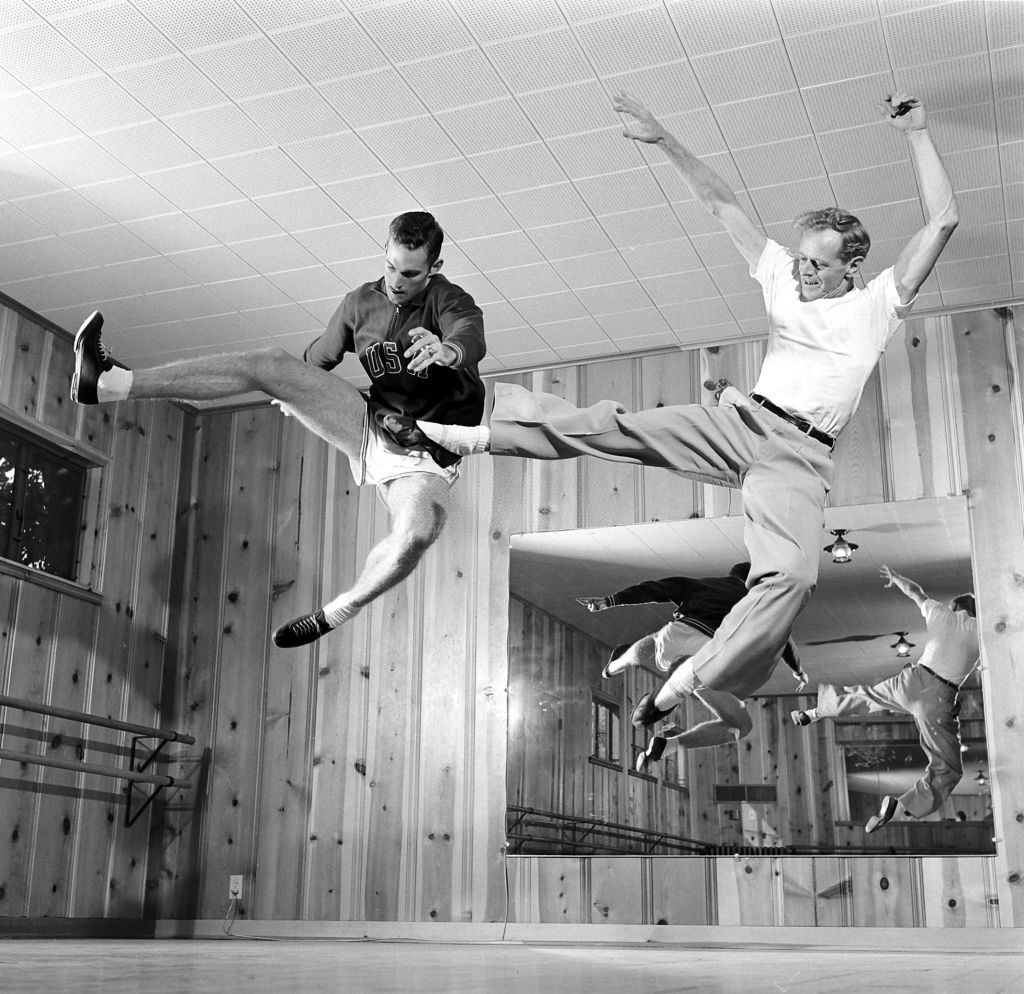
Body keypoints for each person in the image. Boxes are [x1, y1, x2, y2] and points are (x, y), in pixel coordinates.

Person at [406, 90, 957, 722]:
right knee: (623, 429)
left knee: (795, 578)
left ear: (852, 266)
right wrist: (663, 137)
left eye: (818, 266)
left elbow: (941, 221)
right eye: (801, 259)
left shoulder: (878, 305)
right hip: (745, 423)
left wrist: (917, 132)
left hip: (800, 462)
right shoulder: (779, 274)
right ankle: (472, 434)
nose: (803, 273)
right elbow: (721, 202)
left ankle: (697, 673)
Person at [70, 212, 486, 649]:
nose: (396, 281)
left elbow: (469, 331)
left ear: (433, 269)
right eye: (389, 266)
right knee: (269, 363)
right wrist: (297, 390)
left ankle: (340, 609)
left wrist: (448, 350)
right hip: (375, 428)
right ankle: (110, 383)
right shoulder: (360, 304)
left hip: (430, 456)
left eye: (410, 273)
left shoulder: (446, 298)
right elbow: (318, 358)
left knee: (419, 530)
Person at [791, 565, 979, 833]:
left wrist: (897, 578)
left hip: (911, 680)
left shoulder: (939, 613)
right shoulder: (980, 629)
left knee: (866, 695)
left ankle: (815, 712)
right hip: (938, 696)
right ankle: (901, 806)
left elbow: (916, 592)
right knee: (947, 767)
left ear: (955, 606)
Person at [578, 563, 807, 770]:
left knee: (657, 640)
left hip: (680, 634)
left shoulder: (700, 585)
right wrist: (798, 670)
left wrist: (610, 600)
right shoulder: (758, 602)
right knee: (741, 726)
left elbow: (655, 588)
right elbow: (784, 638)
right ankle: (671, 740)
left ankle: (617, 665)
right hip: (711, 657)